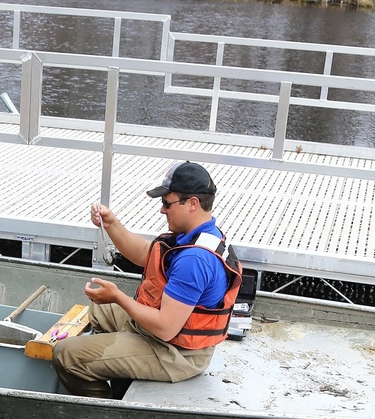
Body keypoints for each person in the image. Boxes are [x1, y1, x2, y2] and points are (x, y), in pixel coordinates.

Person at [52, 161, 243, 399]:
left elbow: (165, 327)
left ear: (192, 203)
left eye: (166, 203)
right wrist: (111, 225)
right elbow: (145, 253)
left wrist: (118, 297)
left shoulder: (194, 260)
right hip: (165, 334)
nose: (162, 210)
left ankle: (108, 410)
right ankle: (117, 365)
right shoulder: (197, 235)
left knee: (66, 355)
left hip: (176, 352)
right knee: (98, 312)